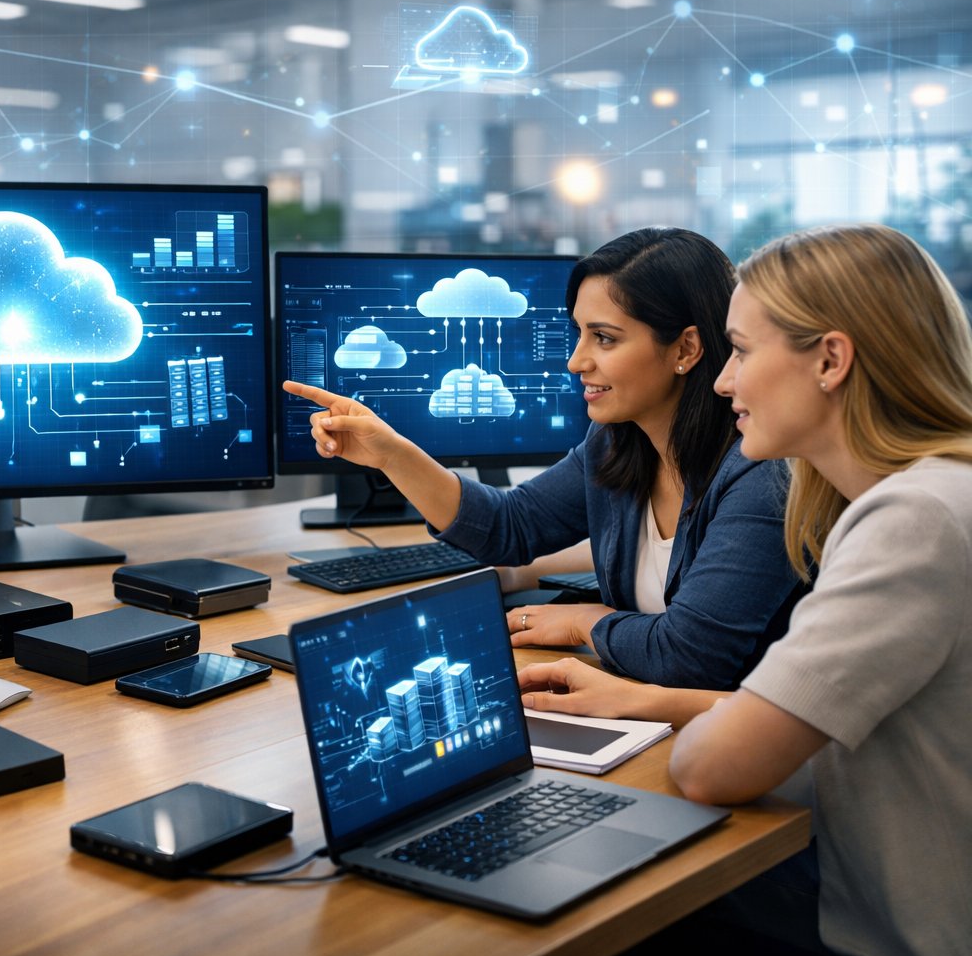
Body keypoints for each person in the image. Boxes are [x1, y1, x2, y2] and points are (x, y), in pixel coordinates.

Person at [520, 223, 972, 956]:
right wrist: (642, 698)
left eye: (743, 351)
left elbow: (711, 768)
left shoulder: (913, 523)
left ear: (830, 359)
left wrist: (648, 691)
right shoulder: (933, 495)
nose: (724, 380)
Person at [285, 228, 804, 690]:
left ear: (685, 349)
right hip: (649, 713)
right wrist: (391, 454)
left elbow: (692, 657)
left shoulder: (761, 474)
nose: (576, 361)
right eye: (578, 333)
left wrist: (587, 622)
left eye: (603, 337)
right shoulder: (618, 447)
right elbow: (507, 528)